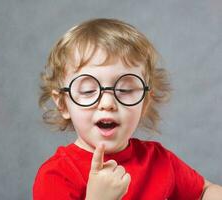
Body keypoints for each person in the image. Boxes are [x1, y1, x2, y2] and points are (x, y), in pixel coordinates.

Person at [33, 18, 222, 199]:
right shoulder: (56, 175)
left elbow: (204, 191)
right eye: (89, 90)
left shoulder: (158, 160)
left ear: (145, 102)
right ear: (63, 104)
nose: (107, 103)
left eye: (124, 89)